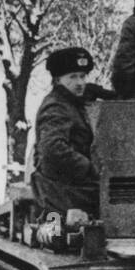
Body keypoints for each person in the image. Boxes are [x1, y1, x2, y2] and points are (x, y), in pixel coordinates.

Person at [31, 47, 100, 216]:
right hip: (60, 197)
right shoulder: (56, 106)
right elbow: (52, 149)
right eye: (72, 77)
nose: (80, 83)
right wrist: (91, 168)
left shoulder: (72, 103)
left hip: (74, 192)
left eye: (83, 76)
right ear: (57, 80)